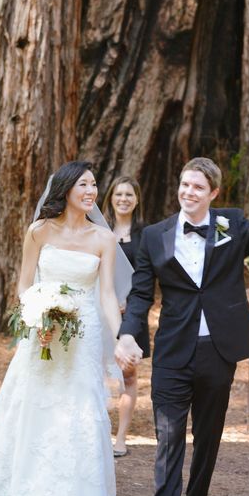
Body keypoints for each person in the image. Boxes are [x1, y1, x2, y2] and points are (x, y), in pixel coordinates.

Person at [115, 156, 249, 496]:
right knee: (168, 441)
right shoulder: (155, 236)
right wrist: (128, 332)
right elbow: (142, 293)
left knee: (208, 440)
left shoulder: (230, 225)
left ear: (213, 193)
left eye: (198, 187)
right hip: (173, 354)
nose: (189, 192)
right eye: (184, 185)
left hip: (218, 351)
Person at [0, 161, 125, 496]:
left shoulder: (103, 239)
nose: (92, 191)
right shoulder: (39, 232)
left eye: (95, 184)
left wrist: (120, 335)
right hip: (42, 334)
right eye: (84, 184)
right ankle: (15, 494)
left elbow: (108, 295)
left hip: (83, 337)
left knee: (80, 412)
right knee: (32, 407)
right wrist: (38, 317)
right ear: (65, 189)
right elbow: (26, 283)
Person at [102, 176, 150, 457]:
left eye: (129, 195)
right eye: (118, 194)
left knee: (128, 377)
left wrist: (129, 305)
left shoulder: (146, 234)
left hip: (132, 316)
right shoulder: (98, 230)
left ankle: (121, 437)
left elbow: (148, 277)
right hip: (101, 313)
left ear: (137, 200)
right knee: (93, 373)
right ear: (110, 197)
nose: (123, 199)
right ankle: (95, 433)